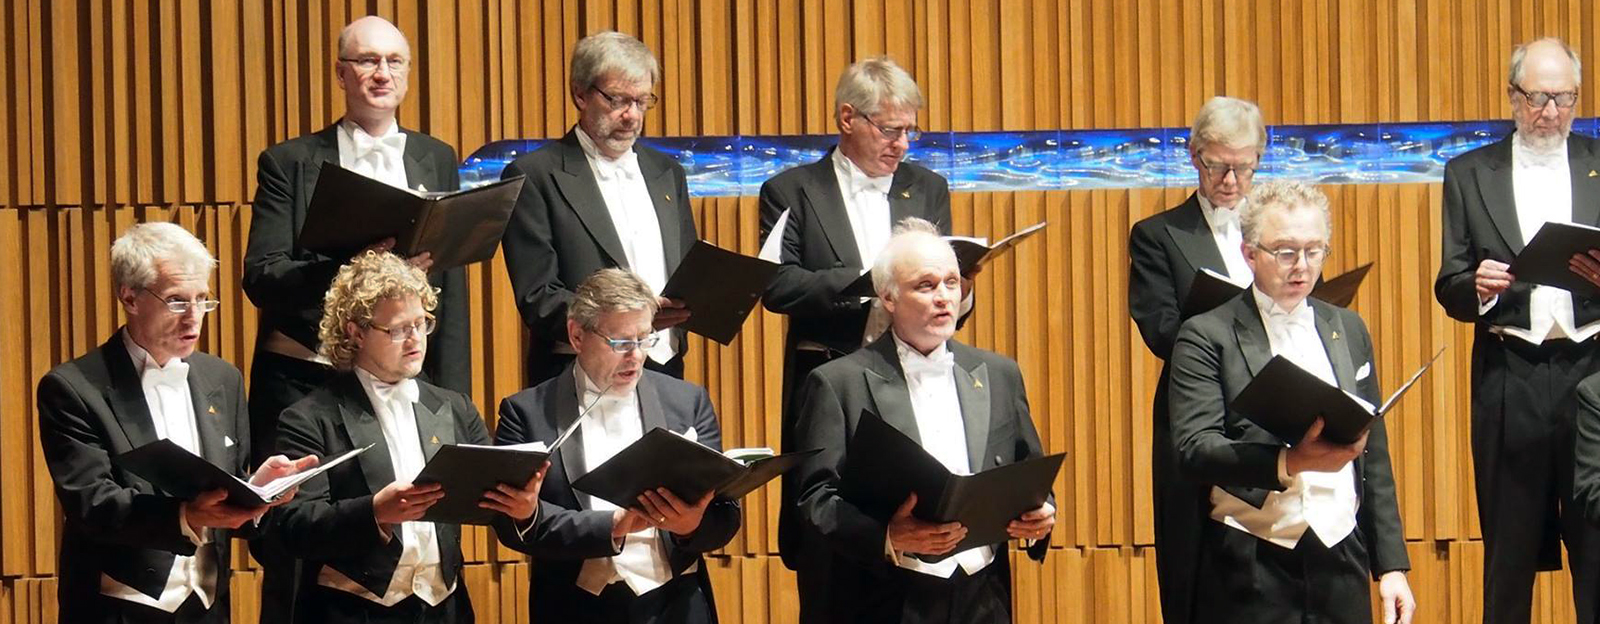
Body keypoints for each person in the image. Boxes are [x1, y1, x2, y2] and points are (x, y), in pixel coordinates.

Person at [756, 57, 966, 621]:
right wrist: (866, 283)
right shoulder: (792, 190)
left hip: (916, 379)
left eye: (910, 130)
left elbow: (942, 274)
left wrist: (950, 289)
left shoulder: (927, 187)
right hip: (832, 380)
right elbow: (776, 285)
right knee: (833, 534)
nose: (903, 144)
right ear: (847, 118)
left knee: (917, 519)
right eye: (890, 129)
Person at [37, 222, 314, 623]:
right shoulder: (74, 388)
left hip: (207, 608)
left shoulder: (223, 379)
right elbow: (92, 504)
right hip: (118, 610)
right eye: (177, 301)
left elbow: (224, 493)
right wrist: (186, 516)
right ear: (129, 297)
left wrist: (257, 489)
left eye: (202, 299)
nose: (194, 319)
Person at [1169, 181, 1413, 623]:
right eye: (1285, 252)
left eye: (1314, 251)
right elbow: (1194, 449)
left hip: (1341, 556)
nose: (1302, 266)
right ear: (1249, 254)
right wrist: (1289, 462)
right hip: (1251, 561)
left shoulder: (1349, 328)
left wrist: (1391, 566)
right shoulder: (1206, 334)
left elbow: (1372, 453)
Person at [790, 218, 1053, 623]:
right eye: (926, 286)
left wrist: (1042, 513)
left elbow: (1029, 471)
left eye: (952, 282)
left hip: (984, 595)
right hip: (884, 598)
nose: (944, 297)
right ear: (888, 297)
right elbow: (814, 500)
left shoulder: (1000, 374)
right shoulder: (837, 383)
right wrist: (887, 536)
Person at [271, 251, 545, 623]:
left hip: (445, 609)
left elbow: (493, 504)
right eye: (399, 329)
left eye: (421, 323)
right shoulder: (309, 417)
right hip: (353, 612)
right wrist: (374, 512)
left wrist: (523, 509)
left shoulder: (455, 407)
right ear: (356, 332)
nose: (415, 338)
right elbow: (294, 526)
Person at [1435, 37, 1600, 624]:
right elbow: (1449, 285)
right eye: (1537, 98)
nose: (1551, 112)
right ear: (1512, 97)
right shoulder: (1468, 173)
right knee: (1508, 555)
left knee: (1598, 547)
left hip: (1593, 375)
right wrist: (1477, 285)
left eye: (1564, 98)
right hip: (1509, 376)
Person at [495, 268, 739, 623]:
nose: (636, 356)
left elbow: (724, 517)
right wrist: (612, 525)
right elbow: (511, 526)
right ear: (577, 336)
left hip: (677, 606)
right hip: (576, 609)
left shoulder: (688, 402)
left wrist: (691, 525)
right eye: (621, 343)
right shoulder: (526, 413)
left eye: (644, 338)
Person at [1125, 95, 1265, 623]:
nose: (1230, 180)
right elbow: (1161, 329)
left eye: (1243, 167)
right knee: (1195, 563)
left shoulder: (1278, 234)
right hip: (1196, 410)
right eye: (1217, 166)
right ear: (1194, 156)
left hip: (1271, 410)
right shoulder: (1159, 235)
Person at [500, 31, 696, 387]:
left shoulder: (668, 173)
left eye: (642, 101)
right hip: (576, 376)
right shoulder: (534, 175)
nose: (632, 115)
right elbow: (538, 297)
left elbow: (686, 270)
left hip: (664, 372)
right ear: (580, 94)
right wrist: (627, 322)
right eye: (618, 100)